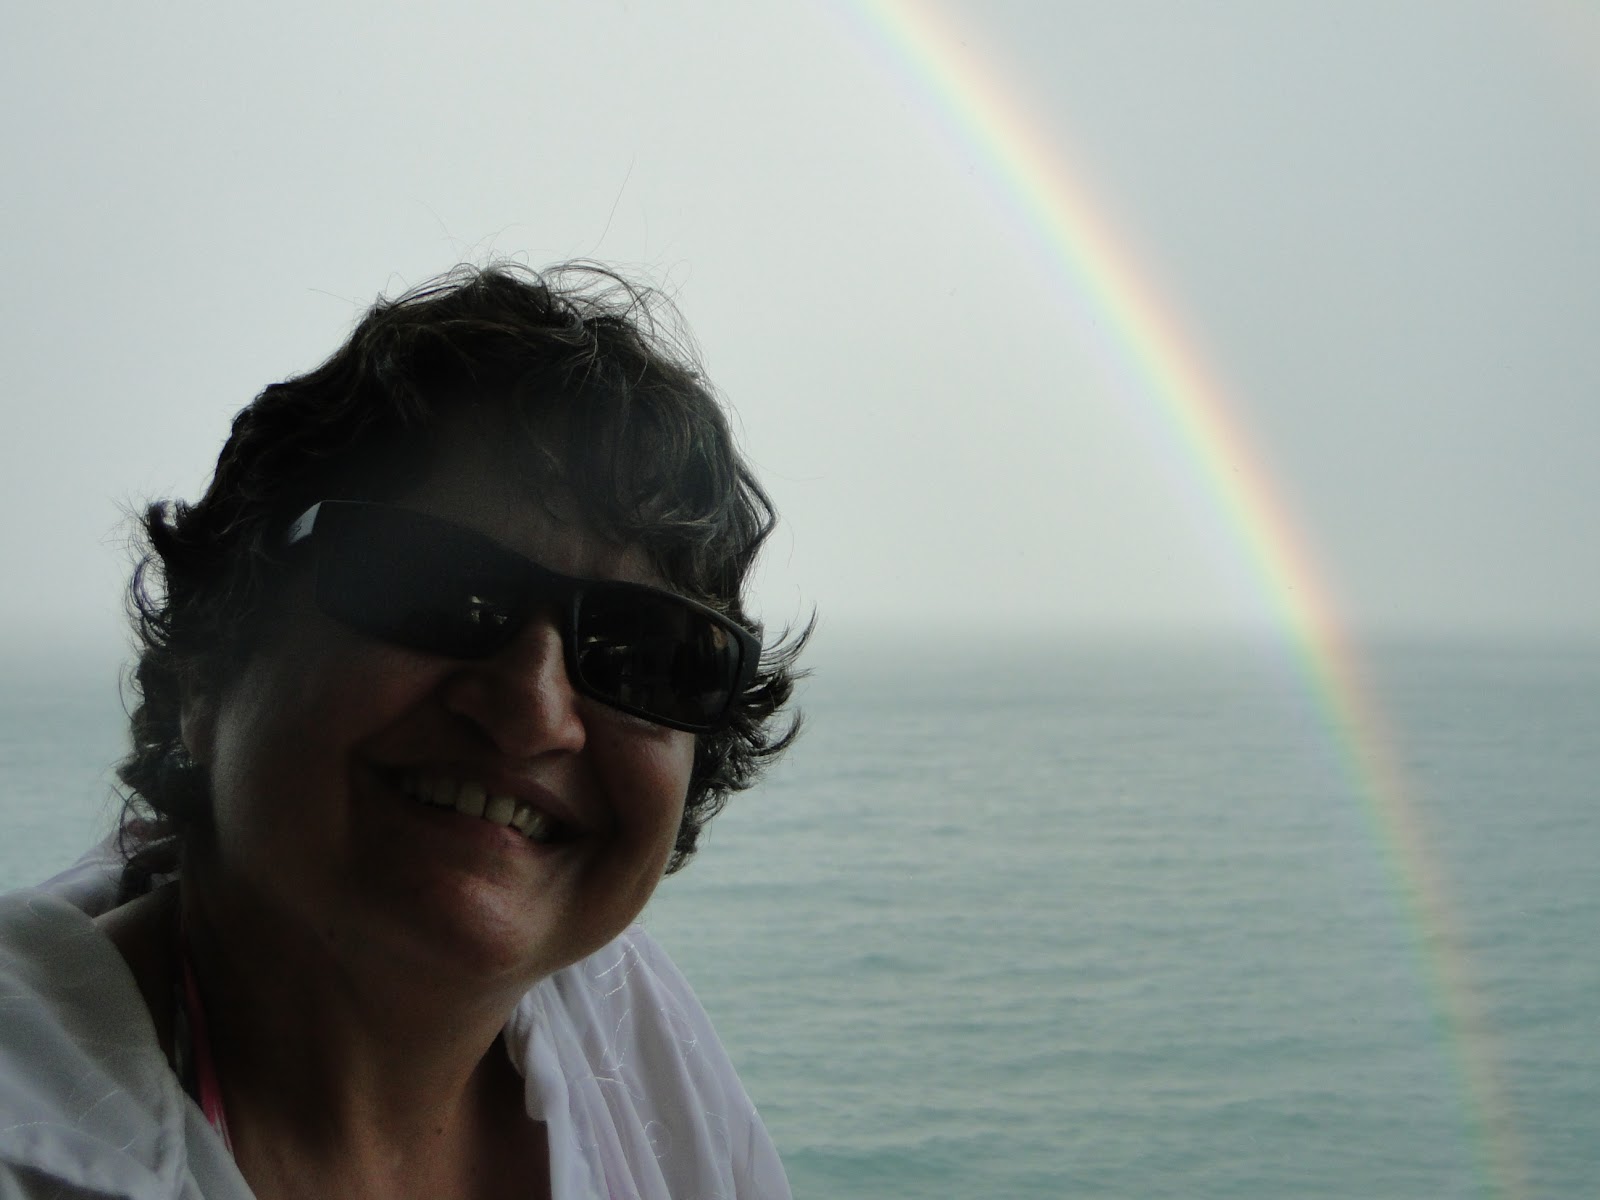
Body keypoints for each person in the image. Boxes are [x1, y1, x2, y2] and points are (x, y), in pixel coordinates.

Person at [0, 264, 805, 1199]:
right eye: (434, 588)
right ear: (207, 668)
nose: (534, 711)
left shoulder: (630, 1031)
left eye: (645, 653)